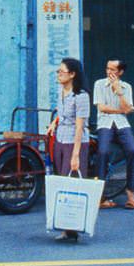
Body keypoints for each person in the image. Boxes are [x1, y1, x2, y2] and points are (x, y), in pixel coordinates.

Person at [46, 57, 90, 242]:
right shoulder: (62, 92)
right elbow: (61, 113)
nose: (58, 74)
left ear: (72, 74)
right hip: (61, 139)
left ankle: (73, 227)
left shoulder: (81, 96)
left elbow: (80, 126)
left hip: (75, 141)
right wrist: (53, 123)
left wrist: (75, 155)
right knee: (61, 181)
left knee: (72, 183)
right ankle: (66, 227)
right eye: (58, 71)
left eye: (61, 71)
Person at [93, 59, 134, 210]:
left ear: (120, 72)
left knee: (133, 151)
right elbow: (102, 107)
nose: (109, 72)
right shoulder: (99, 84)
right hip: (105, 124)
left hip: (122, 124)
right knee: (103, 151)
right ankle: (100, 195)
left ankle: (131, 194)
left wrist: (119, 93)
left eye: (113, 70)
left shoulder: (127, 87)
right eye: (107, 68)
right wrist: (122, 110)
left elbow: (129, 109)